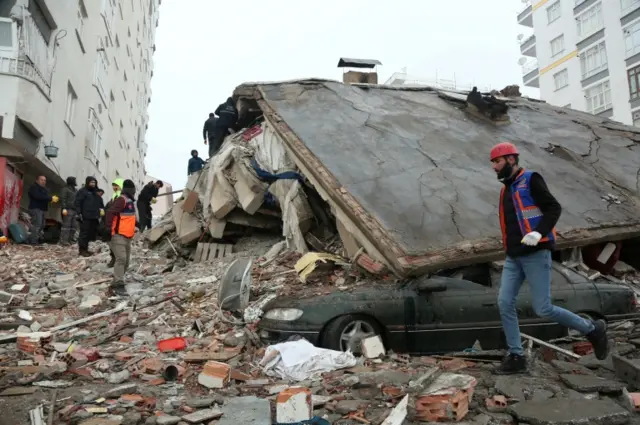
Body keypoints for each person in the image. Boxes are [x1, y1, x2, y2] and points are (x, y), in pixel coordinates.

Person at [490, 141, 609, 374]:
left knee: (543, 308)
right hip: (514, 257)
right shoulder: (506, 189)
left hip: (536, 253)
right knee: (504, 303)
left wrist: (538, 232)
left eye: (497, 161)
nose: (494, 167)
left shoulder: (532, 179)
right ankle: (516, 356)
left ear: (511, 159)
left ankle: (592, 329)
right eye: (493, 162)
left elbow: (553, 208)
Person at [104, 179, 137, 296]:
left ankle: (116, 282)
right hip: (118, 235)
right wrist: (108, 228)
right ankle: (118, 285)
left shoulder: (130, 202)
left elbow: (129, 217)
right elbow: (110, 212)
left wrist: (137, 224)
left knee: (126, 262)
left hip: (128, 236)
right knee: (121, 259)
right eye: (133, 191)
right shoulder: (121, 200)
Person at [75, 176, 104, 257]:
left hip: (94, 216)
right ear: (87, 182)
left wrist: (101, 210)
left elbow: (99, 202)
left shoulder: (95, 192)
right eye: (91, 182)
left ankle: (86, 249)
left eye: (94, 182)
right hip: (85, 216)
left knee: (89, 234)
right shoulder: (82, 191)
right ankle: (82, 250)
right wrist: (79, 213)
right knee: (84, 233)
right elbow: (78, 202)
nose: (93, 184)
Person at [27, 175, 58, 245]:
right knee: (37, 225)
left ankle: (36, 239)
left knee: (41, 225)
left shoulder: (44, 189)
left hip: (42, 209)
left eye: (44, 180)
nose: (43, 181)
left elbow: (44, 197)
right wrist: (50, 198)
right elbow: (37, 196)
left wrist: (51, 200)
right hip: (35, 208)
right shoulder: (34, 187)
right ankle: (33, 241)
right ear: (37, 180)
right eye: (42, 180)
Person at [59, 176, 77, 245]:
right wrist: (64, 208)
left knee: (74, 226)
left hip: (74, 210)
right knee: (66, 226)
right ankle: (64, 240)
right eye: (74, 180)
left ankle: (70, 239)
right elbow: (63, 199)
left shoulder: (75, 190)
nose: (76, 182)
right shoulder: (65, 189)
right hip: (68, 209)